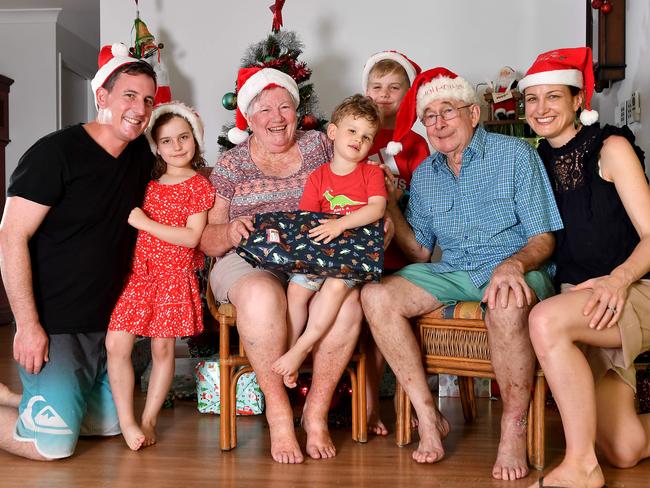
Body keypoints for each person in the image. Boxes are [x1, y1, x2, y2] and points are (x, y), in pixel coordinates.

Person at [360, 67, 563, 480]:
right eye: (429, 116)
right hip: (454, 271)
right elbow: (418, 249)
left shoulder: (516, 156)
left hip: (515, 268)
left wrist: (514, 264)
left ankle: (512, 428)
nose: (437, 123)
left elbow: (544, 239)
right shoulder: (427, 175)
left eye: (447, 111)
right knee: (375, 296)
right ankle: (429, 415)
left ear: (473, 114)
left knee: (505, 301)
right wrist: (390, 203)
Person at [0, 43, 156, 460]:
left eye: (147, 99)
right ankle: (42, 403)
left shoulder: (140, 155)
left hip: (109, 324)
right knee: (51, 445)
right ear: (101, 96)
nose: (139, 108)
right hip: (57, 325)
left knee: (107, 427)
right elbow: (10, 237)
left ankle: (30, 400)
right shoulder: (54, 154)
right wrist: (28, 325)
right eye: (129, 95)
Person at [200, 67, 364, 463]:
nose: (276, 117)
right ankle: (278, 413)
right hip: (247, 258)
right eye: (265, 110)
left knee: (350, 302)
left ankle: (315, 413)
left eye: (285, 107)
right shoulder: (232, 164)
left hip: (314, 255)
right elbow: (207, 237)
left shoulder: (319, 147)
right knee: (260, 294)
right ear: (249, 119)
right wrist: (230, 231)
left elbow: (358, 183)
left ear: (297, 110)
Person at [520, 47, 650, 488]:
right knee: (625, 450)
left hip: (634, 288)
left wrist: (618, 280)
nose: (541, 109)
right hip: (582, 300)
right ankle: (599, 456)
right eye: (532, 99)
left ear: (578, 100)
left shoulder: (611, 147)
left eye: (553, 97)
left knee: (545, 319)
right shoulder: (534, 162)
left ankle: (580, 467)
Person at [106, 102, 215, 451]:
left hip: (173, 276)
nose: (177, 146)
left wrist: (144, 223)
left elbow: (190, 237)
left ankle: (149, 418)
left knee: (162, 349)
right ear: (156, 145)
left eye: (183, 137)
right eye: (167, 141)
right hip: (141, 276)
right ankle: (126, 420)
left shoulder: (199, 186)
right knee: (116, 344)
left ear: (195, 140)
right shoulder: (148, 184)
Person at [271, 94, 387, 389]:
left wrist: (341, 224)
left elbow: (376, 209)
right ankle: (290, 347)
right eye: (352, 130)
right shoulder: (318, 177)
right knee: (296, 289)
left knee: (335, 286)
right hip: (322, 252)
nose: (358, 140)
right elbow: (308, 219)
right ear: (333, 132)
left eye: (366, 136)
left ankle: (302, 348)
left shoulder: (371, 173)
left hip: (354, 254)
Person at [362, 50, 430, 436]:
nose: (384, 95)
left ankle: (416, 404)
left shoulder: (416, 145)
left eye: (394, 88)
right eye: (377, 87)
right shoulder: (356, 134)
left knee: (403, 322)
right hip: (364, 250)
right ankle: (370, 405)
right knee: (366, 331)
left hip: (403, 250)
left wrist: (392, 191)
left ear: (409, 95)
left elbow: (424, 200)